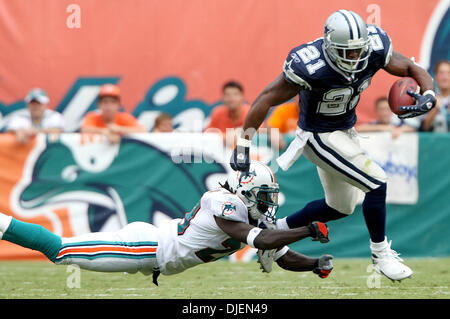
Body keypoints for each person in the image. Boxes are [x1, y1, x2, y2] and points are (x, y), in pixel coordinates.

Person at [230, 10, 436, 282]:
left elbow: (412, 68)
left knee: (340, 207)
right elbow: (266, 99)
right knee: (376, 181)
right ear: (330, 46)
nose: (354, 57)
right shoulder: (309, 65)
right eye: (347, 52)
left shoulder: (374, 47)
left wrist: (429, 94)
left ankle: (274, 235)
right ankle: (381, 254)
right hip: (318, 136)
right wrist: (243, 142)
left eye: (358, 51)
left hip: (346, 131)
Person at [0, 161, 333, 283]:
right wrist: (308, 229)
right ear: (245, 191)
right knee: (60, 251)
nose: (268, 204)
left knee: (63, 251)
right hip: (148, 248)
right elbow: (259, 241)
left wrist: (314, 263)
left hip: (156, 248)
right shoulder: (223, 202)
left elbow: (282, 254)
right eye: (263, 196)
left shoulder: (250, 214)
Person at [81, 84, 146, 143]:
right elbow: (85, 129)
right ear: (99, 104)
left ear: (119, 104)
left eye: (113, 102)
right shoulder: (92, 116)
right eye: (105, 102)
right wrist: (105, 132)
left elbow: (142, 131)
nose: (109, 106)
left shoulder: (124, 117)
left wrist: (119, 129)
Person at [205, 81, 251, 148]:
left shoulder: (250, 112)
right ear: (223, 97)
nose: (231, 98)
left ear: (242, 96)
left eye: (235, 94)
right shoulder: (218, 113)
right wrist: (225, 137)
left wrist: (239, 131)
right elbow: (208, 134)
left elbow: (260, 128)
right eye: (227, 95)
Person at [421, 60, 450, 132]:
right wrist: (434, 109)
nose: (445, 77)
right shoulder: (427, 98)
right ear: (436, 76)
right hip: (434, 142)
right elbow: (423, 128)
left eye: (448, 73)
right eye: (441, 73)